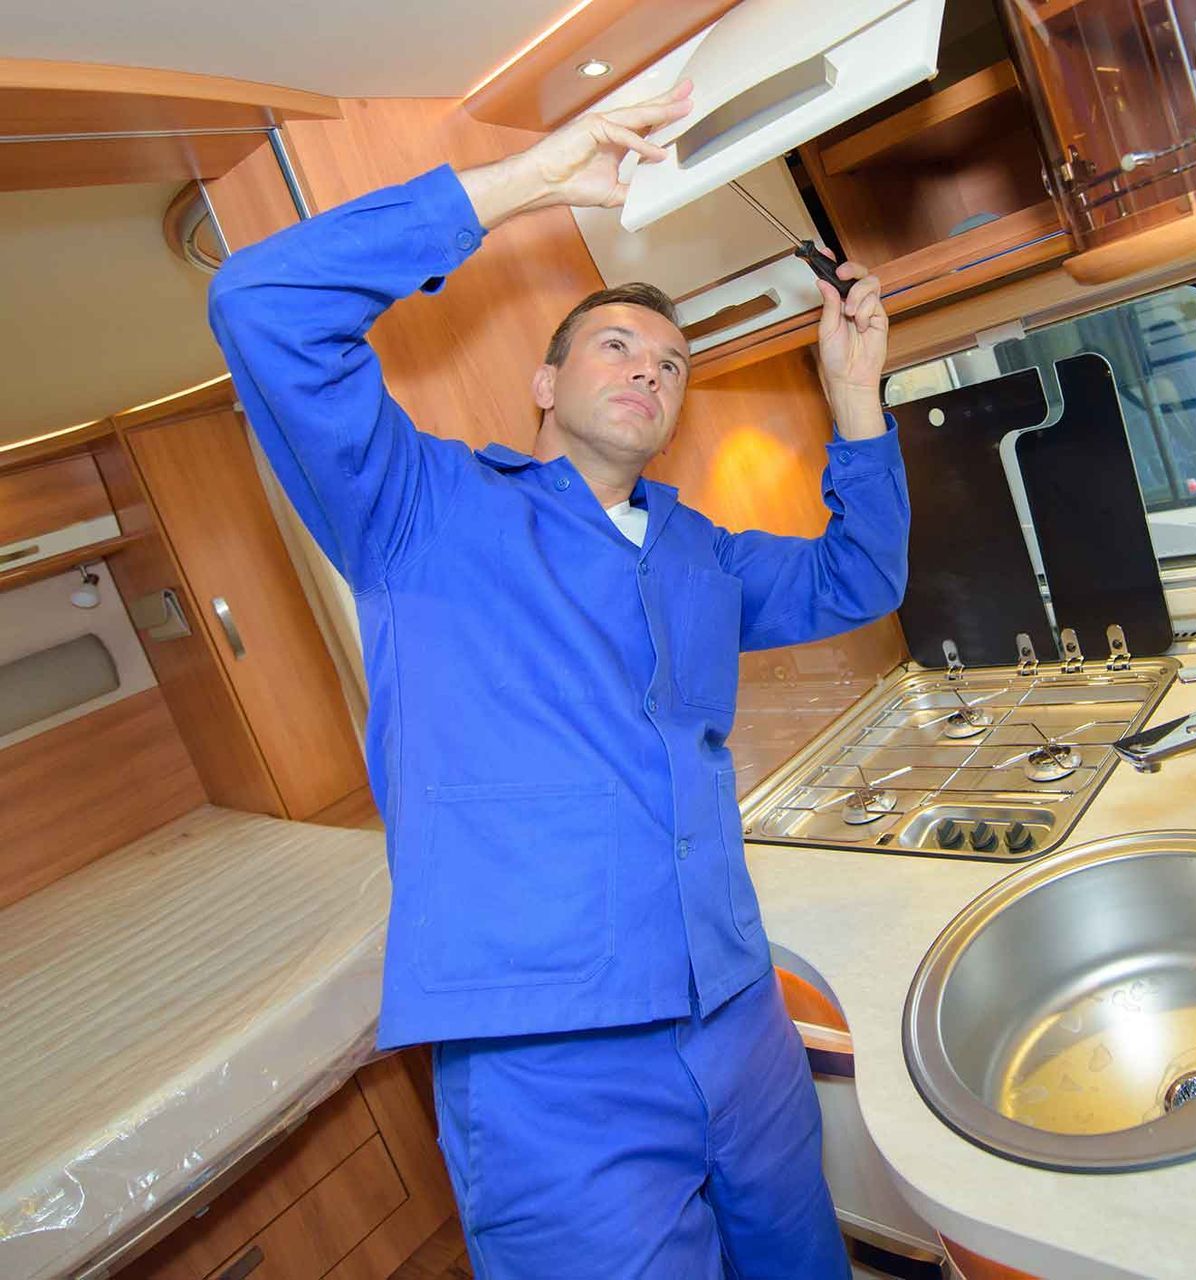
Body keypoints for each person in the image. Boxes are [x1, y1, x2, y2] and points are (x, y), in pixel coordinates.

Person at [206, 80, 907, 1279]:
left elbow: (861, 575)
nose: (651, 370)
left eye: (674, 364)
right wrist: (528, 180)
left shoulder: (700, 551)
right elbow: (259, 302)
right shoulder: (422, 511)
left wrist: (853, 395)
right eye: (617, 345)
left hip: (736, 1013)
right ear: (544, 385)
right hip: (546, 1054)